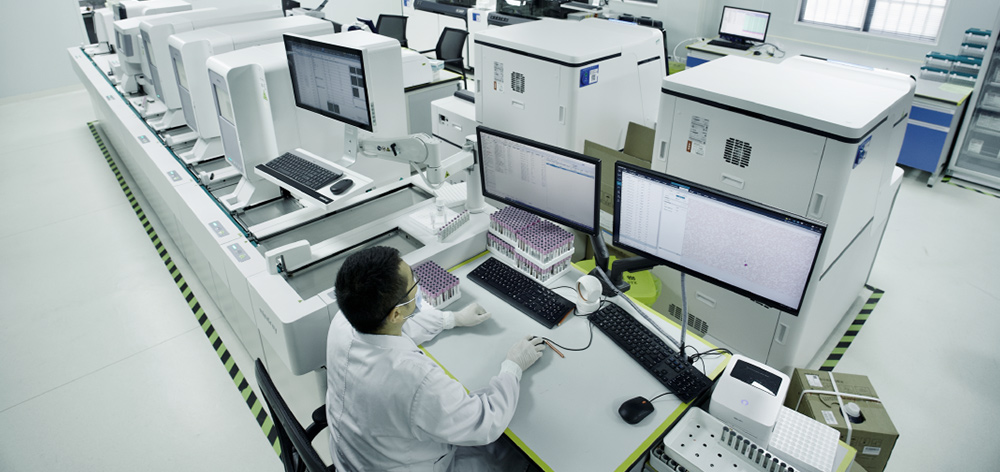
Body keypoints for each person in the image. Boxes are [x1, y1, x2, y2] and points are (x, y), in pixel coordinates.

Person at [325, 246, 546, 471]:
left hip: (355, 456)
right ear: (396, 313)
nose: (417, 284)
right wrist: (513, 367)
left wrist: (452, 319)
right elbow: (485, 423)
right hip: (404, 465)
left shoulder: (344, 321)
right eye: (413, 283)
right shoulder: (416, 381)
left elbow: (397, 328)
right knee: (514, 456)